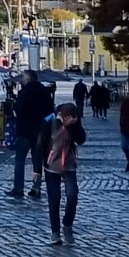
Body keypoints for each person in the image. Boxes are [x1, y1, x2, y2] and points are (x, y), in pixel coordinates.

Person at [41, 101, 87, 245]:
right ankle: (55, 232)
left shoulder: (74, 125)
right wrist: (37, 168)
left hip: (69, 165)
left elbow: (81, 140)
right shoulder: (50, 122)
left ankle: (67, 224)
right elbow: (40, 143)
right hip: (51, 166)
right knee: (54, 199)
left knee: (72, 196)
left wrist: (76, 124)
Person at [7, 70, 53, 199]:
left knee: (19, 160)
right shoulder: (44, 92)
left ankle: (18, 188)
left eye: (23, 78)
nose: (22, 80)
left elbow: (19, 111)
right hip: (41, 132)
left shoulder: (24, 93)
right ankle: (36, 188)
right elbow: (51, 112)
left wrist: (15, 106)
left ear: (28, 79)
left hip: (25, 132)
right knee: (37, 161)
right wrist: (45, 124)